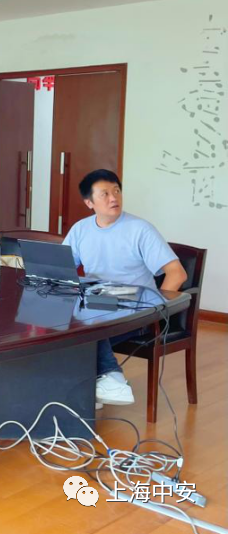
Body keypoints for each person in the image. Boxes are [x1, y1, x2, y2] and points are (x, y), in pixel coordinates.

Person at [64, 169, 187, 407]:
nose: (114, 198)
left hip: (135, 309)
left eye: (117, 191)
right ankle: (92, 389)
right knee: (65, 329)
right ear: (89, 202)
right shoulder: (80, 229)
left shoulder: (140, 229)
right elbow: (63, 268)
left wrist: (155, 310)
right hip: (98, 303)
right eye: (105, 194)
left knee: (86, 331)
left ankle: (112, 380)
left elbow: (177, 273)